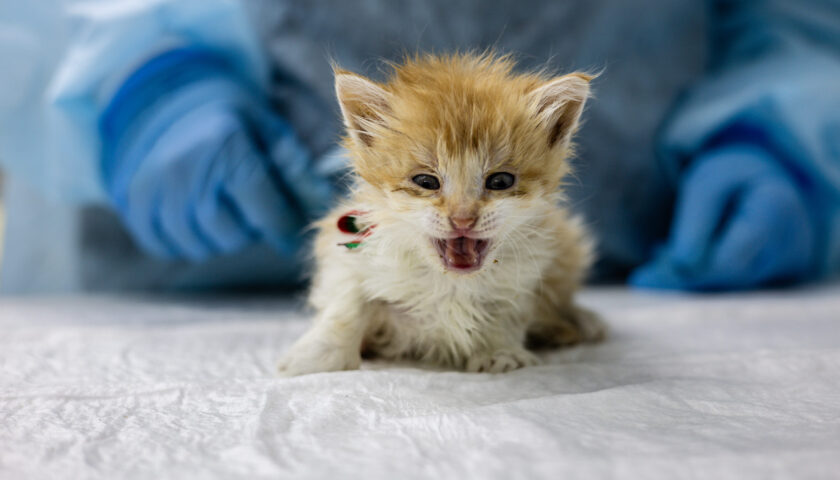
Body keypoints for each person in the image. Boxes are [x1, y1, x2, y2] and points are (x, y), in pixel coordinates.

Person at [0, 0, 838, 293]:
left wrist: (780, 132)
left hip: (644, 262)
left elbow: (796, 18)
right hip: (178, 289)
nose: (462, 212)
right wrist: (141, 85)